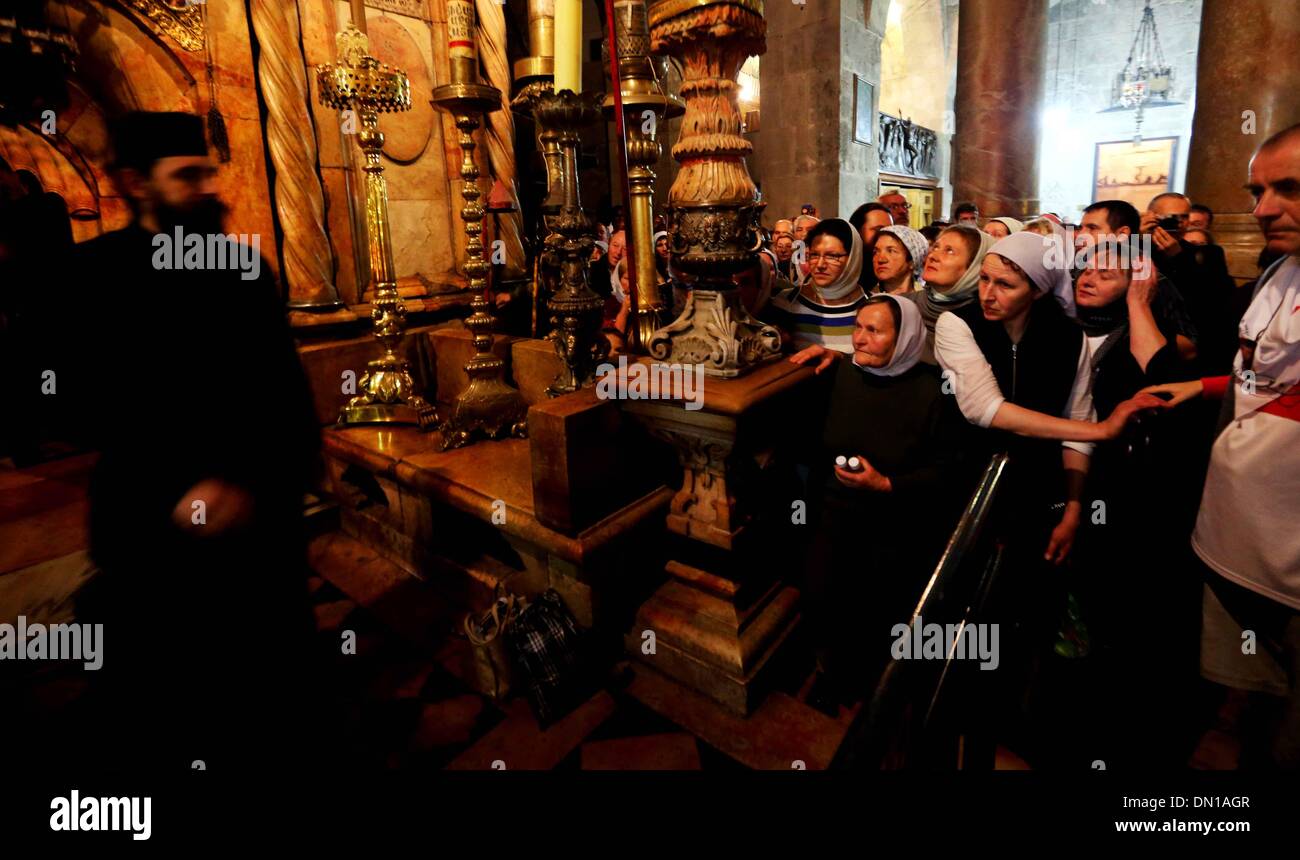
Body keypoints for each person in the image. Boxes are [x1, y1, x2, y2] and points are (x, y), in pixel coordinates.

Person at [48, 112, 326, 774]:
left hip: (257, 517)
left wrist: (267, 475)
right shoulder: (95, 277)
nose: (207, 186)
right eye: (187, 175)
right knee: (171, 700)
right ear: (132, 183)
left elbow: (280, 388)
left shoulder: (243, 269)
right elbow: (90, 404)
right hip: (155, 523)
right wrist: (175, 488)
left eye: (208, 171)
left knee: (273, 693)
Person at [933, 230, 1165, 765]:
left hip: (1035, 492)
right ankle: (949, 710)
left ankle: (1002, 716)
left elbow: (1075, 421)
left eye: (1006, 285)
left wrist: (1075, 506)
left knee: (1018, 607)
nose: (988, 293)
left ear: (1037, 289)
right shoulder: (956, 323)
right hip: (966, 485)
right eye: (985, 279)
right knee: (959, 602)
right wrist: (1104, 433)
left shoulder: (1067, 336)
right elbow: (984, 409)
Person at [1143, 123, 1300, 769]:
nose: (1261, 209)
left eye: (1287, 188)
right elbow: (1259, 375)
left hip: (1291, 556)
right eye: (1257, 190)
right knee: (1252, 705)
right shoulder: (1282, 274)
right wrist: (1203, 387)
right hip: (1239, 539)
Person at [798, 293, 975, 712]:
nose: (859, 339)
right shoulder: (842, 374)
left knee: (880, 611)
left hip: (899, 523)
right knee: (827, 599)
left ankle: (881, 694)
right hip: (836, 515)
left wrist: (886, 484)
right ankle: (832, 677)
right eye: (858, 328)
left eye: (874, 331)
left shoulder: (935, 392)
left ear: (907, 337)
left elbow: (949, 471)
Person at [1141, 191, 1238, 373]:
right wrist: (1138, 238)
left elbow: (1215, 299)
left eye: (1184, 217)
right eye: (1171, 217)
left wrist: (1179, 258)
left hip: (1188, 348)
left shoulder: (1208, 254)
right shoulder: (1138, 247)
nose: (1179, 223)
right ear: (1151, 217)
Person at [766, 217, 867, 353]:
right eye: (814, 255)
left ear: (853, 258)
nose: (820, 265)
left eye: (832, 256)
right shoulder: (785, 302)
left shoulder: (870, 308)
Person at [871, 224, 928, 295]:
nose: (881, 259)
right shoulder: (865, 302)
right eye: (876, 252)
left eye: (891, 251)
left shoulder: (926, 303)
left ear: (912, 262)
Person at [848, 202, 893, 292]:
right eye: (878, 229)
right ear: (857, 231)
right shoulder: (845, 269)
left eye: (890, 230)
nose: (886, 235)